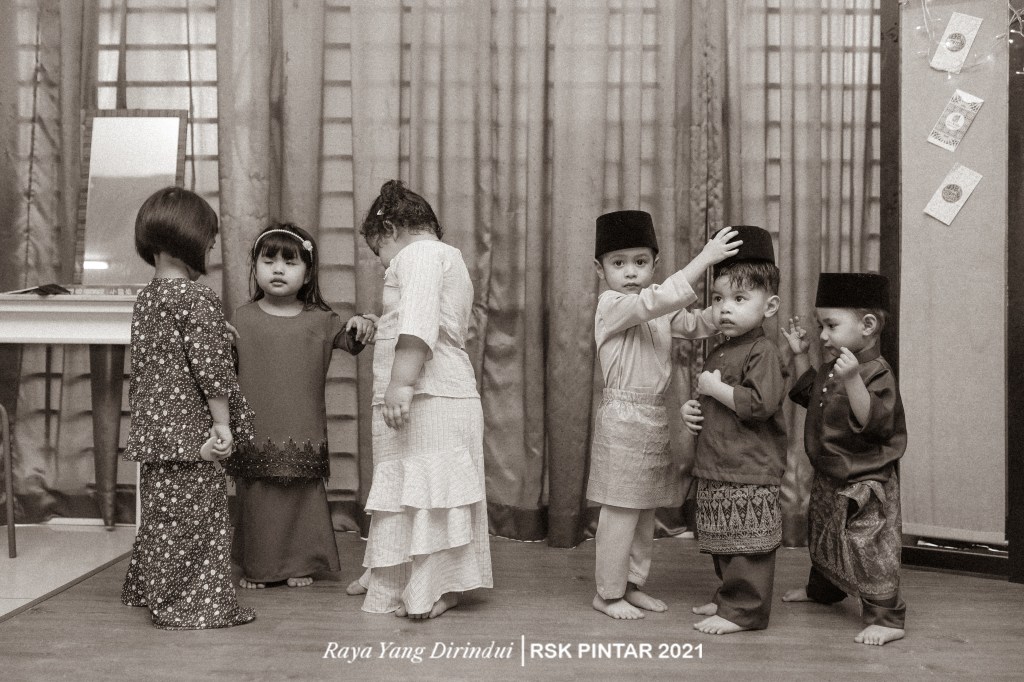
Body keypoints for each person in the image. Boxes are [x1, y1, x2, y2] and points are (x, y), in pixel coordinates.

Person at [346, 179, 491, 619]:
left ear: (390, 229)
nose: (382, 263)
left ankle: (435, 585)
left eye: (379, 252)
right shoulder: (443, 257)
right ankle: (391, 572)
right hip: (435, 394)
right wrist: (380, 324)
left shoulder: (420, 255)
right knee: (411, 489)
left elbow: (420, 321)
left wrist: (401, 384)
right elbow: (418, 316)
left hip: (431, 394)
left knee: (430, 493)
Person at [588, 210, 741, 620]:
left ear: (654, 264)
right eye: (618, 263)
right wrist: (705, 258)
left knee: (644, 511)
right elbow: (654, 302)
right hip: (622, 418)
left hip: (654, 416)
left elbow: (694, 323)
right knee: (620, 512)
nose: (630, 272)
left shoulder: (657, 306)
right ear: (600, 270)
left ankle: (631, 584)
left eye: (640, 262)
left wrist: (728, 311)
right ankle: (607, 593)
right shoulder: (611, 305)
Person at [120, 186, 255, 629]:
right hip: (193, 435)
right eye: (210, 243)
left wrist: (214, 327)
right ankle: (191, 604)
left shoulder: (148, 299)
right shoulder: (197, 299)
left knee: (162, 517)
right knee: (200, 520)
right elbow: (211, 372)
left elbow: (166, 353)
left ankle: (150, 588)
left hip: (156, 434)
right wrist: (223, 425)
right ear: (191, 240)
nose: (210, 251)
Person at [225, 223, 377, 590]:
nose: (278, 269)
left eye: (290, 262)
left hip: (303, 427)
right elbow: (221, 370)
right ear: (254, 267)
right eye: (269, 261)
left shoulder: (322, 320)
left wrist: (364, 321)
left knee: (302, 497)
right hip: (256, 429)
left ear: (307, 273)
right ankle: (259, 566)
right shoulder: (241, 318)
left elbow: (353, 340)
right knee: (259, 498)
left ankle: (301, 562)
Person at [780, 272, 907, 646]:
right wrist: (800, 355)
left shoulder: (876, 371)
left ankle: (887, 618)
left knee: (868, 546)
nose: (822, 335)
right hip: (831, 472)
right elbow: (810, 396)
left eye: (831, 325)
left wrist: (852, 379)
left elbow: (876, 423)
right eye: (821, 325)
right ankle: (825, 590)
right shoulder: (833, 365)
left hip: (865, 478)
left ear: (868, 326)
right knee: (824, 533)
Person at [681, 225, 787, 635]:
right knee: (722, 537)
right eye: (718, 298)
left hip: (749, 466)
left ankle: (745, 611)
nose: (725, 308)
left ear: (770, 305)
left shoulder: (763, 351)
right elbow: (717, 400)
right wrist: (695, 407)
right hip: (718, 461)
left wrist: (714, 389)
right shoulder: (723, 347)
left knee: (747, 545)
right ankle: (728, 596)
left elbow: (760, 404)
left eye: (739, 299)